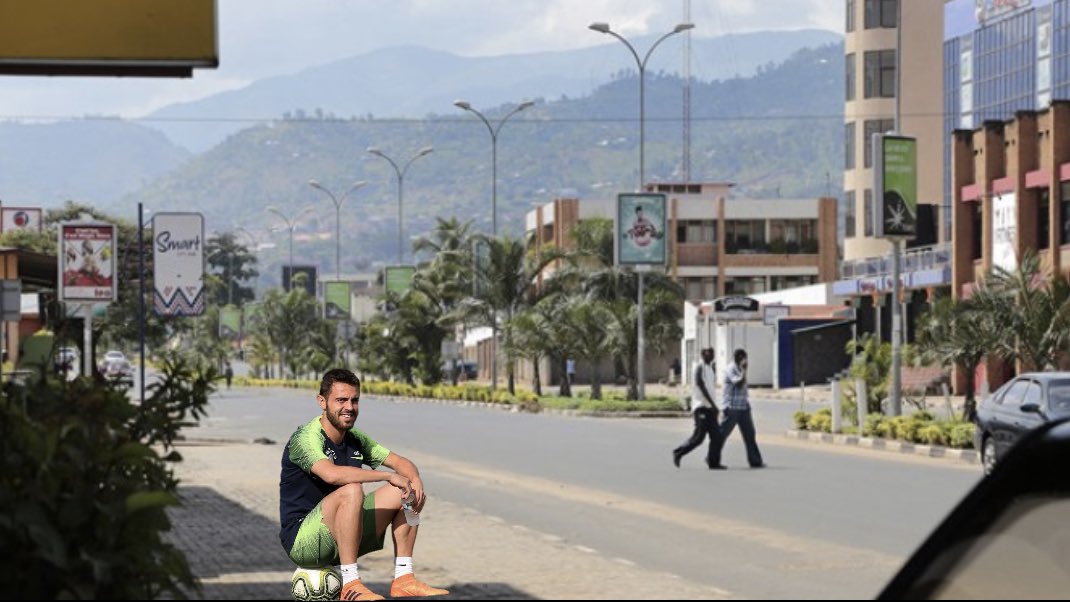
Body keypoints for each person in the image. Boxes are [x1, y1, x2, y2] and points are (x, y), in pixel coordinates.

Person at [279, 368, 449, 601]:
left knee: (404, 488)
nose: (349, 407)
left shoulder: (355, 438)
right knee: (351, 490)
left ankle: (403, 577)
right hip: (303, 541)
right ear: (322, 402)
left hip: (344, 537)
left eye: (354, 400)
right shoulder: (305, 438)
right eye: (341, 400)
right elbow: (331, 475)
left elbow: (400, 462)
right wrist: (386, 476)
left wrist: (415, 481)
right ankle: (350, 584)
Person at [672, 347, 726, 470]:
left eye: (713, 352)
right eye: (708, 353)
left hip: (710, 409)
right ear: (703, 354)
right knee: (698, 438)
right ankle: (678, 453)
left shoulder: (710, 369)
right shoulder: (699, 367)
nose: (711, 355)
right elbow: (700, 385)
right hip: (701, 407)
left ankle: (713, 462)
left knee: (717, 437)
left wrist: (714, 406)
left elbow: (711, 389)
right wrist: (713, 404)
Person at [710, 349, 765, 469]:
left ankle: (755, 461)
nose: (744, 361)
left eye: (745, 358)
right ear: (737, 358)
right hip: (731, 408)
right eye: (742, 358)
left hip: (743, 407)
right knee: (722, 434)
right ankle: (712, 458)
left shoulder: (740, 369)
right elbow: (739, 383)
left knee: (750, 434)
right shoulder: (731, 369)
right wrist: (744, 370)